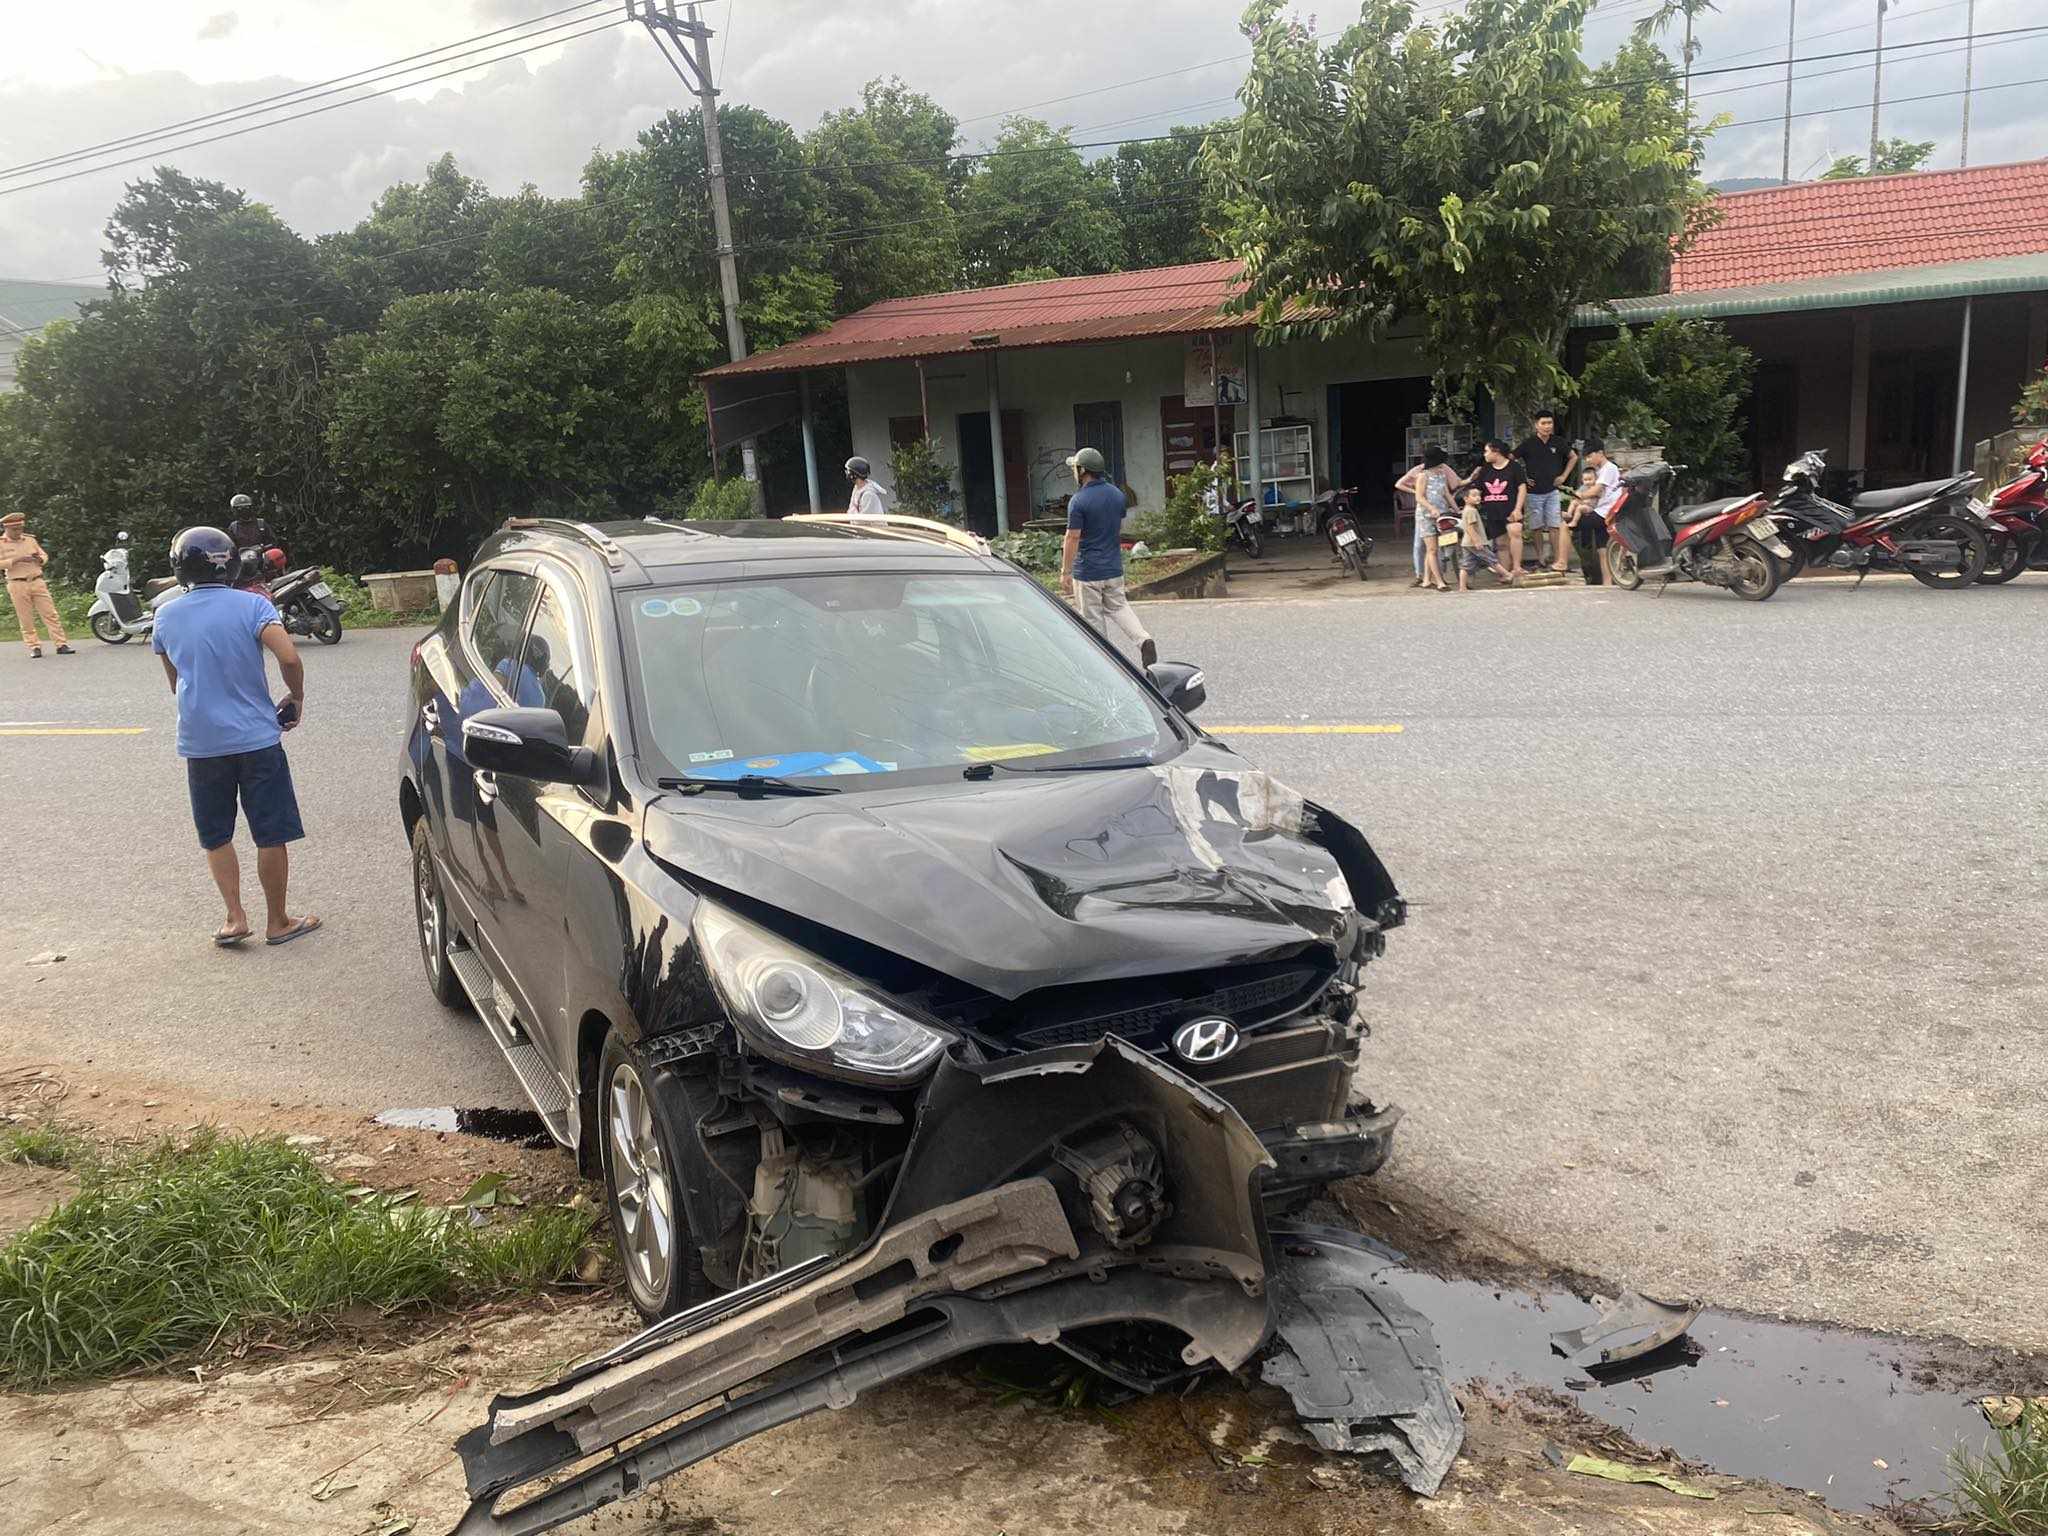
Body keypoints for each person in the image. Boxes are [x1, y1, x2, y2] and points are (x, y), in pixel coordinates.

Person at [152, 525, 320, 948]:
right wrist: (295, 697)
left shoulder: (166, 615)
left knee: (216, 833)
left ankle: (234, 917)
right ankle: (278, 921)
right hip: (257, 739)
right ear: (232, 564)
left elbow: (174, 681)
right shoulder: (253, 605)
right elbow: (289, 657)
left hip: (201, 742)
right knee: (270, 830)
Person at [1059, 446, 1157, 667]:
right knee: (1120, 607)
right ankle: (1143, 640)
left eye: (1075, 468)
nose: (1074, 471)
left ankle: (1105, 664)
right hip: (1113, 567)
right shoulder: (1117, 495)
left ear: (1082, 470)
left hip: (1088, 571)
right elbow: (1115, 524)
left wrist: (1066, 572)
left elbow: (1072, 538)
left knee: (1093, 621)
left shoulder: (1078, 500)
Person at [1514, 410, 1579, 576]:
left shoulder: (1558, 442)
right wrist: (1523, 477)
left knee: (1554, 526)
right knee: (1536, 527)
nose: (1547, 426)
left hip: (1552, 491)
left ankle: (1558, 560)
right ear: (1536, 425)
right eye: (1543, 423)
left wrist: (1564, 476)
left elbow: (1573, 457)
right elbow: (1511, 458)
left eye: (1550, 423)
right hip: (1533, 493)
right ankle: (1541, 559)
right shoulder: (1529, 443)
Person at [2, 511, 75, 659]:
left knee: (50, 614)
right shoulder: (1, 543)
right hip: (17, 583)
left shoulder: (30, 540)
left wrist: (39, 559)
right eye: (14, 529)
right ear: (6, 528)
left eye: (20, 528)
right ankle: (34, 646)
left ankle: (61, 644)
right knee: (26, 617)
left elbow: (44, 555)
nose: (18, 532)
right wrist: (15, 560)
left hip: (37, 580)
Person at [1396, 448, 1458, 591]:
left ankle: (1426, 580)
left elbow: (1446, 494)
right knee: (1432, 549)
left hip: (1442, 515)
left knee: (1441, 546)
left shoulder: (1442, 474)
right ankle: (1439, 581)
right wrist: (1431, 508)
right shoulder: (1422, 476)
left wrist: (1455, 509)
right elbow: (1419, 497)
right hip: (1426, 516)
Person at [1468, 439, 1528, 578]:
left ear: (1496, 452)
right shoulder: (1485, 469)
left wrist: (1518, 508)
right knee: (1501, 543)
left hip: (1511, 508)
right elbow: (1478, 488)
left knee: (1515, 532)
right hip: (1493, 511)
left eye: (1487, 451)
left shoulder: (1514, 467)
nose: (1485, 455)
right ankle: (1505, 572)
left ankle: (1517, 567)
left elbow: (1522, 488)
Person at [1573, 439, 1621, 587]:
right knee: (1603, 549)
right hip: (1601, 511)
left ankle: (1563, 563)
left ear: (1600, 453)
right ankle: (1607, 582)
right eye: (1586, 458)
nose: (1588, 460)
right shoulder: (1600, 471)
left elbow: (1596, 490)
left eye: (1589, 456)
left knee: (1564, 526)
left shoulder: (1608, 468)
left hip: (1604, 513)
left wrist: (1578, 496)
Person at [1455, 485, 1511, 591]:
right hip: (1475, 542)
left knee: (1466, 564)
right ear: (1466, 499)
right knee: (1492, 559)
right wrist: (1477, 541)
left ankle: (1462, 587)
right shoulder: (1471, 511)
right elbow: (1470, 528)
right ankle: (1507, 575)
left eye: (1479, 495)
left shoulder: (1467, 510)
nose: (1478, 498)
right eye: (1474, 495)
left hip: (1467, 543)